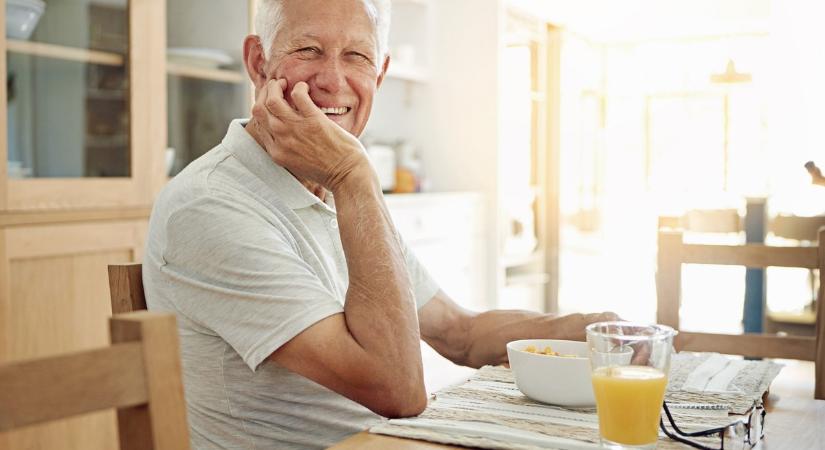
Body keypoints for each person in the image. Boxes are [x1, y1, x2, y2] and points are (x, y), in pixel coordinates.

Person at [142, 0, 617, 448]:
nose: (333, 80)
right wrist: (354, 176)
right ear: (258, 62)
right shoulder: (210, 206)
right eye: (308, 50)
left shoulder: (333, 190)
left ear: (381, 73)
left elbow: (459, 333)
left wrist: (595, 330)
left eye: (357, 56)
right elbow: (399, 389)